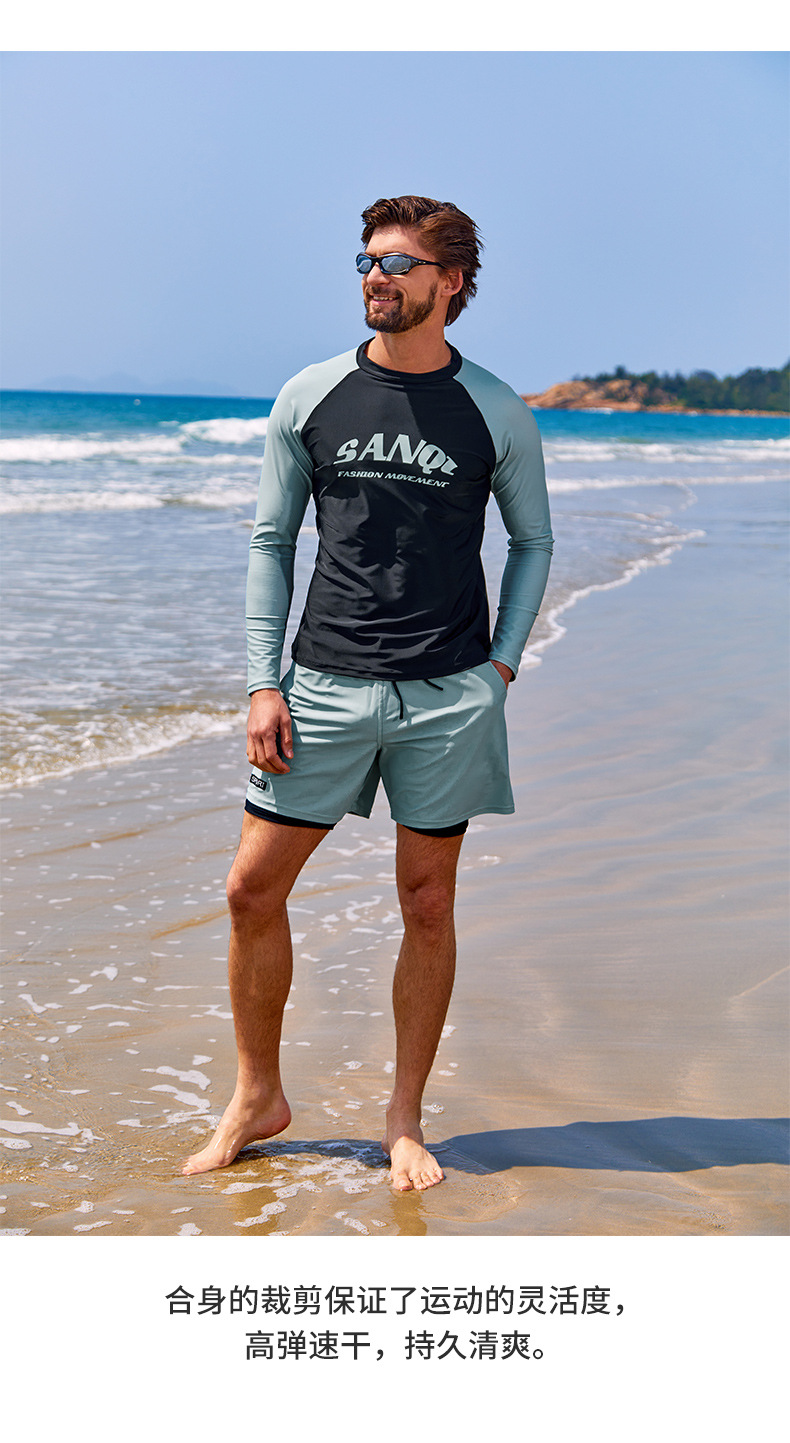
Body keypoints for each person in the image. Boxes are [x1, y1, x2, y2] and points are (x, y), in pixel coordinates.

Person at [183, 195, 553, 1191]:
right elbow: (270, 543)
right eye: (366, 260)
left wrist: (501, 667)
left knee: (427, 903)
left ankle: (403, 1118)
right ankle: (257, 1096)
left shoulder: (495, 409)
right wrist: (263, 682)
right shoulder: (311, 395)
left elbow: (532, 542)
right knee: (250, 889)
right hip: (322, 686)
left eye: (396, 262)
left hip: (446, 694)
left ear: (450, 282)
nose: (374, 276)